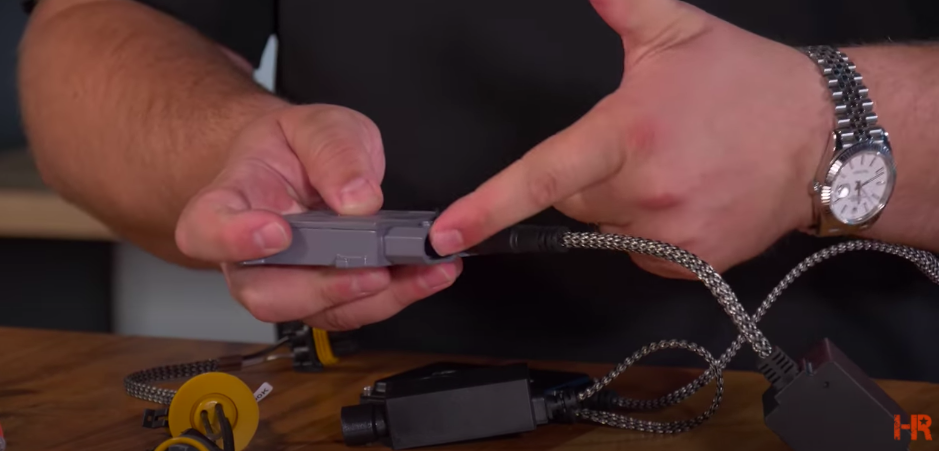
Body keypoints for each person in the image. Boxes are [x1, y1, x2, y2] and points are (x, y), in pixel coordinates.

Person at [16, 0, 939, 382]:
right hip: (367, 403)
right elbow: (87, 33)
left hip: (868, 404)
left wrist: (830, 125)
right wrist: (228, 149)